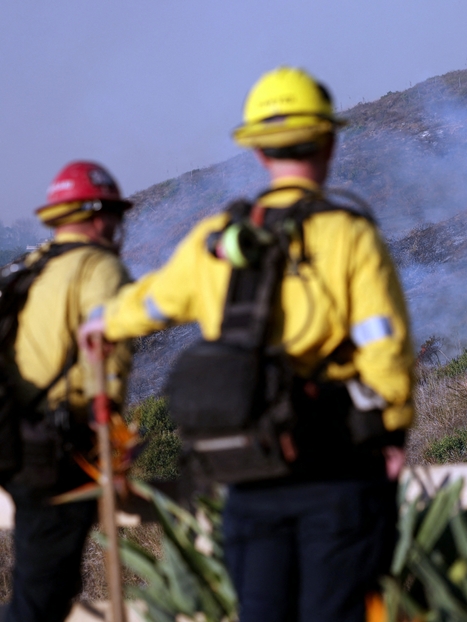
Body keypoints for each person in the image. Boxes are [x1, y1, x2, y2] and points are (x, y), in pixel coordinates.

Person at [81, 66, 414, 622]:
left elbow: (150, 305)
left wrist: (101, 323)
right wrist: (393, 430)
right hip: (334, 466)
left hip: (246, 472)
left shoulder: (213, 239)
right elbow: (385, 347)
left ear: (259, 152)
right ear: (329, 144)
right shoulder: (349, 235)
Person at [1, 162, 132, 622]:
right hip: (56, 454)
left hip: (14, 440)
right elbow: (107, 365)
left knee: (41, 583)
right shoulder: (100, 269)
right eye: (114, 214)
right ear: (99, 215)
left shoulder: (33, 265)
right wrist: (114, 446)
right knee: (42, 598)